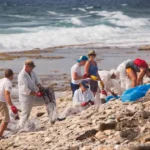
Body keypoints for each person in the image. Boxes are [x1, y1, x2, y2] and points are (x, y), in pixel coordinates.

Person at [17, 60, 42, 129]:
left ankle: (25, 126)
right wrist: (36, 93)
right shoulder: (21, 76)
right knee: (25, 113)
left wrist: (39, 85)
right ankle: (20, 128)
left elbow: (37, 80)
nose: (32, 69)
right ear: (26, 66)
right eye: (31, 67)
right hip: (25, 98)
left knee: (28, 113)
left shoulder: (32, 72)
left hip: (33, 95)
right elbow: (25, 89)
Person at [0, 69, 18, 139]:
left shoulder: (1, 80)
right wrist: (11, 106)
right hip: (1, 101)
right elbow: (6, 94)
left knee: (1, 117)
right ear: (11, 75)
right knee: (6, 120)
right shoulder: (8, 82)